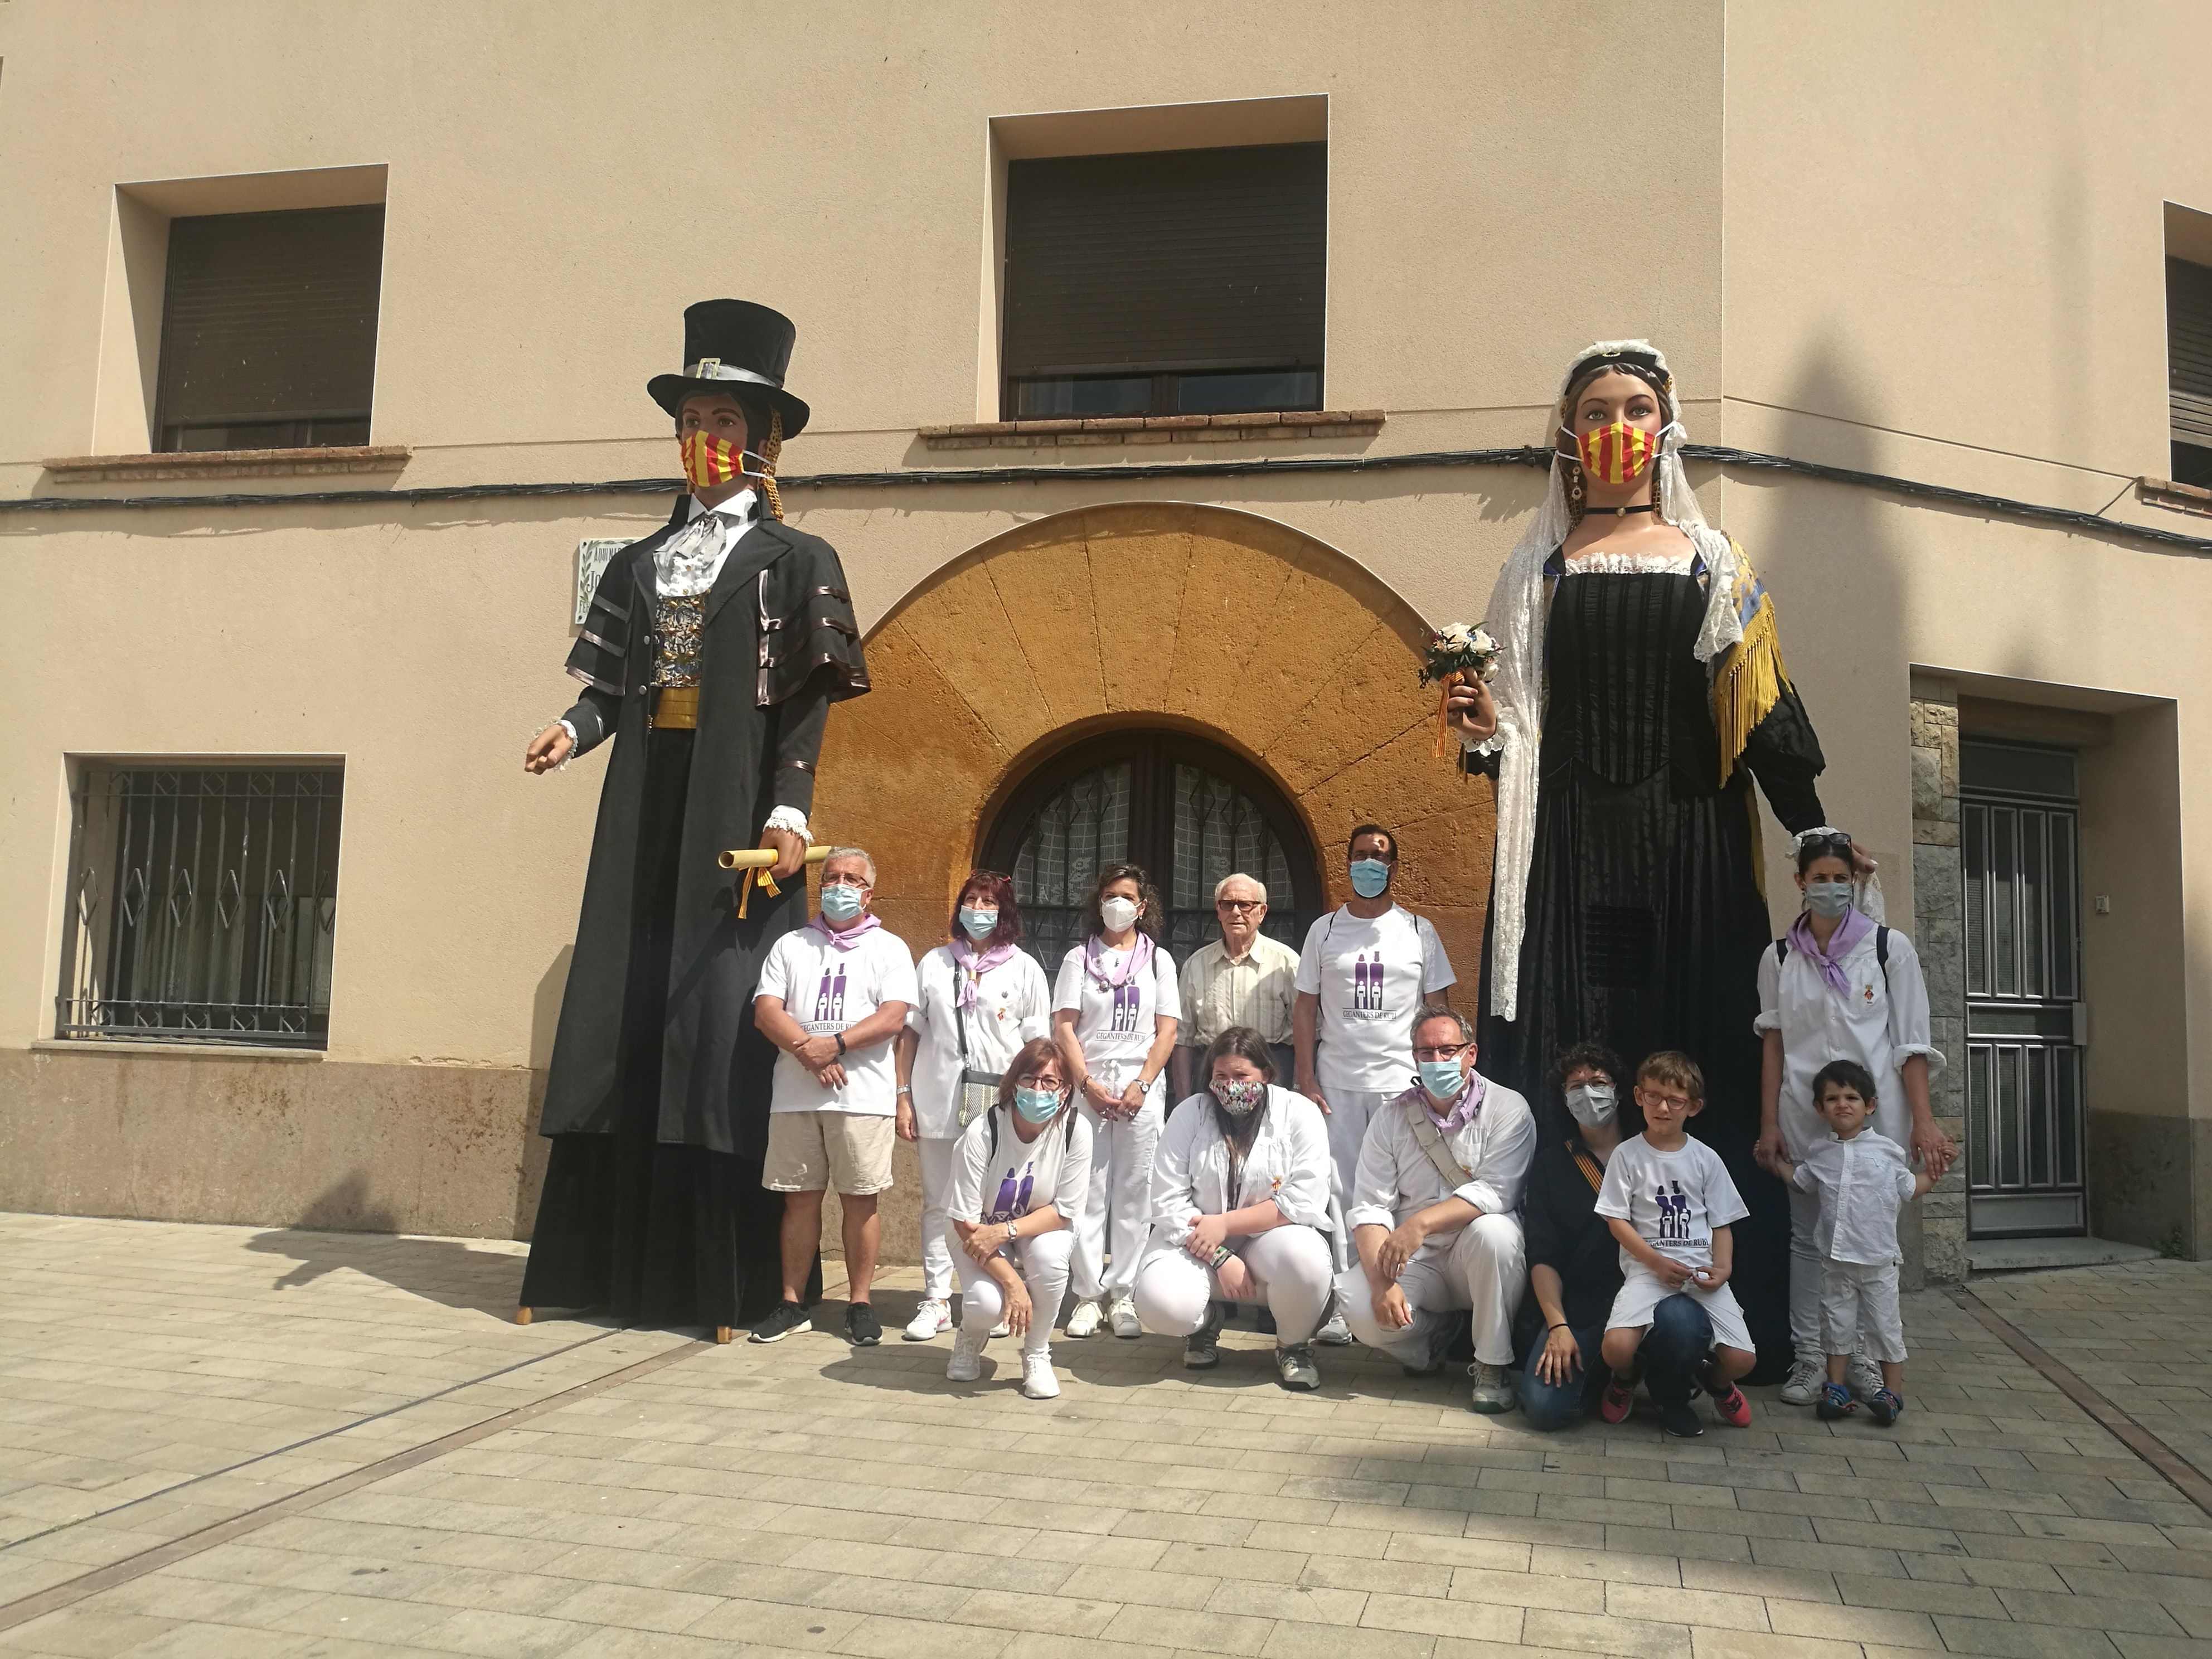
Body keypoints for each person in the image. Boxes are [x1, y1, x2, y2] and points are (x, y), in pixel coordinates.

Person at [1446, 339, 1836, 1372]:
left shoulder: (1715, 565)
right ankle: (1552, 1322)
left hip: (1688, 853)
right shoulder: (1532, 568)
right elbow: (1515, 737)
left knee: (1686, 1050)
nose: (1614, 424)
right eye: (1594, 408)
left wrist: (1815, 837)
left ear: (1662, 430)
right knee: (1574, 1048)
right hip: (1566, 857)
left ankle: (1718, 1326)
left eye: (1632, 405)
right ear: (1568, 439)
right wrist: (1484, 726)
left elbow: (1760, 720)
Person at [517, 300, 868, 1339]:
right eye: (690, 416)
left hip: (734, 814)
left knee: (715, 1021)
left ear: (760, 443)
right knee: (620, 1009)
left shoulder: (798, 560)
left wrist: (790, 811)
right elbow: (609, 694)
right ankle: (598, 1267)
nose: (701, 437)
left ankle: (724, 1282)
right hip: (641, 813)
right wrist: (569, 732)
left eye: (722, 417)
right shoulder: (639, 564)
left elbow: (804, 705)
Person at [1755, 826, 1953, 1406]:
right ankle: (1810, 1357)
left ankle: (1863, 1362)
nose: (1830, 889)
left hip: (1875, 1123)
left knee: (1869, 1242)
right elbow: (1772, 1043)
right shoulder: (1780, 956)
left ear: (1854, 883)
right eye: (1819, 879)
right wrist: (1768, 1122)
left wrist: (1922, 1121)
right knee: (1806, 1241)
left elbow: (1909, 1044)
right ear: (1800, 883)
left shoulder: (1888, 949)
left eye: (1841, 879)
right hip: (1803, 1116)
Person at [749, 848, 917, 1346]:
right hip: (796, 1098)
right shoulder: (792, 945)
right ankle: (791, 1302)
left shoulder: (889, 948)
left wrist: (836, 1045)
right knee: (798, 1203)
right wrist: (808, 1051)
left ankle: (860, 1304)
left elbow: (893, 1016)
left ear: (869, 892)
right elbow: (765, 1011)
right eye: (832, 877)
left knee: (860, 1202)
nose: (840, 885)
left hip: (863, 1099)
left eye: (852, 879)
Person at [1337, 1006, 1535, 1413]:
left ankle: (1491, 1365)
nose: (1437, 1061)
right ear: (1413, 1058)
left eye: (1448, 1050)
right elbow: (1370, 1206)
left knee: (1495, 1233)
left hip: (1474, 1254)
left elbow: (1498, 1191)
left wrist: (1420, 1224)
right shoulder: (1391, 1117)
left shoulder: (1509, 1108)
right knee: (1359, 1304)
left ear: (1472, 1053)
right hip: (1418, 1261)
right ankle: (1434, 1338)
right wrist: (1381, 1284)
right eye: (1425, 1053)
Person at [1294, 824, 1457, 1314]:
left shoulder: (1418, 931)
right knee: (1340, 1190)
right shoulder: (1324, 930)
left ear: (1394, 867)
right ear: (1348, 863)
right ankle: (1347, 1304)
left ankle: (1405, 1290)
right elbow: (1305, 1008)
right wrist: (1306, 1076)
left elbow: (1438, 1009)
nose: (1370, 863)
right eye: (1361, 855)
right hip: (1338, 1081)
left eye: (1379, 856)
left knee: (1405, 1187)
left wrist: (1437, 1075)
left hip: (1401, 1084)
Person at [1516, 1043, 1716, 1433]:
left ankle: (1669, 1389)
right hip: (1587, 1306)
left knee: (1684, 1325)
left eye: (1598, 1082)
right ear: (1563, 1098)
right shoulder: (1551, 1165)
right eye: (1575, 1086)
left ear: (1621, 1092)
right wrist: (1558, 1327)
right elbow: (1543, 1255)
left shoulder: (1663, 1152)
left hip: (1660, 1293)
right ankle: (1613, 1375)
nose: (1587, 1092)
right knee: (1544, 1409)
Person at [894, 870, 1052, 1342]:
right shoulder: (936, 963)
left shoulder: (1023, 967)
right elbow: (911, 1033)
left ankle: (996, 1297)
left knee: (993, 1207)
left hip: (1000, 1102)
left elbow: (1037, 1042)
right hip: (938, 1095)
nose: (979, 911)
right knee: (940, 1203)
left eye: (989, 903)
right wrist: (902, 1095)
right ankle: (937, 1298)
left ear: (1005, 911)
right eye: (972, 901)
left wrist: (1039, 1099)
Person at [1133, 1028, 1336, 1391]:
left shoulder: (1300, 1113)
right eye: (1221, 1077)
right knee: (1158, 1302)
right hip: (1197, 1244)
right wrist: (1221, 1256)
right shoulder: (1189, 1114)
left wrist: (1224, 1225)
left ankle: (1293, 1346)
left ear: (1267, 1075)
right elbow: (1167, 1200)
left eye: (1242, 1076)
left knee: (1307, 1262)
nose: (1231, 1086)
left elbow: (1303, 1200)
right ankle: (1206, 1323)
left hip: (1270, 1240)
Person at [1593, 1052, 1756, 1436]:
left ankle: (1715, 1383)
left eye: (1675, 1100)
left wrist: (1724, 1269)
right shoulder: (1627, 1155)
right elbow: (1616, 1221)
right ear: (1637, 1096)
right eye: (1653, 1096)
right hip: (1649, 1272)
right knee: (1615, 1349)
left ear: (1694, 1107)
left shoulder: (1706, 1159)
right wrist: (1655, 1263)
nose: (1662, 1107)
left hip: (1700, 1272)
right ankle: (1626, 1380)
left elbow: (1722, 1222)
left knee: (1743, 1359)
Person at [1053, 863, 1181, 1339]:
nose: (1118, 904)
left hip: (1139, 1087)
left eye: (1127, 896)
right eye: (1109, 895)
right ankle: (1087, 1295)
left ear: (1142, 906)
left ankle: (1124, 1292)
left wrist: (1142, 1084)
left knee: (1134, 1192)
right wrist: (1085, 1083)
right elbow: (1064, 1026)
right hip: (1089, 1087)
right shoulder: (1077, 958)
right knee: (1087, 1190)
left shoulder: (1159, 961)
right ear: (1098, 901)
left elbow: (1167, 1029)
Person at [1766, 1060, 1930, 1427]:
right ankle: (1835, 1389)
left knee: (1885, 1327)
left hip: (1879, 1262)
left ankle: (1891, 1392)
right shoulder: (1819, 1153)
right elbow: (1801, 1182)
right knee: (1835, 1327)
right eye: (1833, 1098)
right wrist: (1776, 1163)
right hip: (1835, 1261)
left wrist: (1935, 1173)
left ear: (1870, 1105)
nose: (1843, 1104)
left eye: (1853, 1097)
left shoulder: (1888, 1151)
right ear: (1819, 1109)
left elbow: (1910, 1188)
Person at [944, 1039, 1094, 1400]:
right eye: (1029, 1079)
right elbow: (964, 1222)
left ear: (1065, 1091)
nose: (1038, 1089)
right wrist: (1013, 1283)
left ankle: (1037, 1353)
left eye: (1049, 1082)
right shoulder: (982, 1133)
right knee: (985, 1304)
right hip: (974, 1230)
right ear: (1013, 1084)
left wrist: (1006, 1231)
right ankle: (970, 1336)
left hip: (1040, 1225)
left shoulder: (1077, 1130)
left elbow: (1063, 1211)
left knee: (1049, 1261)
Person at [1172, 874, 1301, 1097]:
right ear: (1218, 911)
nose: (1236, 912)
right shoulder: (1196, 965)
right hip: (1212, 1078)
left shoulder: (1286, 963)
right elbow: (1182, 1039)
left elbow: (1305, 1034)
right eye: (1228, 904)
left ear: (1262, 912)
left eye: (1245, 905)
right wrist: (1184, 1101)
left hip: (1271, 1077)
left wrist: (1298, 1090)